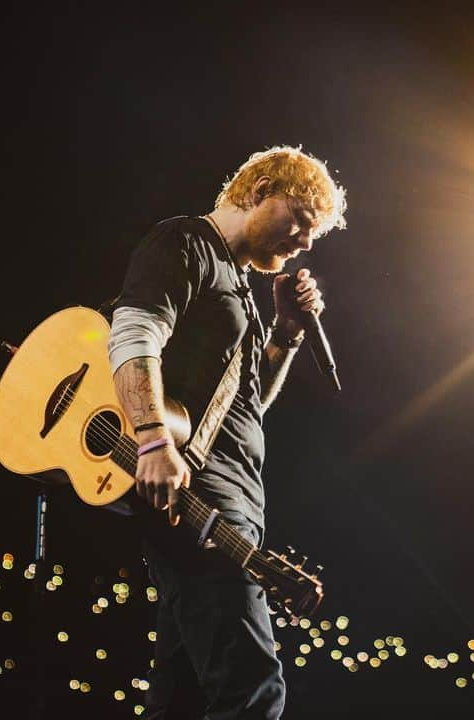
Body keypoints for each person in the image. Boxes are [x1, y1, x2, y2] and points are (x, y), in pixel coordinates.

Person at [106, 145, 347, 719]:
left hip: (220, 503)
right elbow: (133, 333)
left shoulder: (239, 288)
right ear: (261, 189)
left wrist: (286, 332)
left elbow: (246, 406)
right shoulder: (186, 243)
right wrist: (153, 439)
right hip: (204, 505)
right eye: (303, 221)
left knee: (181, 704)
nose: (307, 243)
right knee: (253, 693)